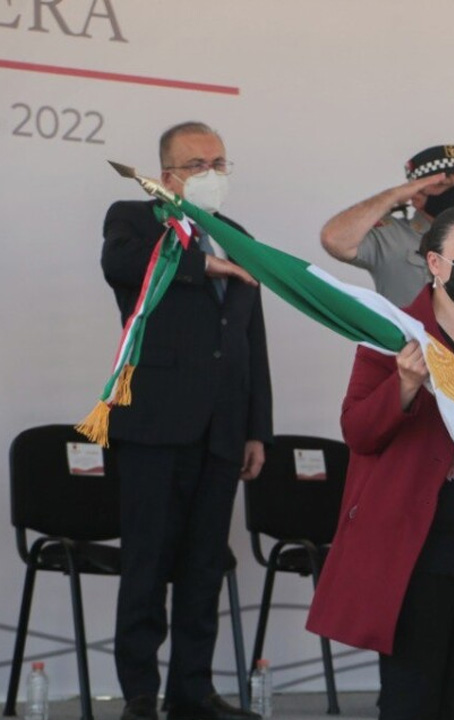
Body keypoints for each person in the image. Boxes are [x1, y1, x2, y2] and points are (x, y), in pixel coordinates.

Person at [307, 205, 454, 719]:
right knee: (413, 694)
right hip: (420, 539)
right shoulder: (393, 333)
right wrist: (405, 385)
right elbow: (358, 432)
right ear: (435, 262)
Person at [102, 121, 272, 720]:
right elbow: (124, 267)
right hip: (154, 426)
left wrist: (258, 428)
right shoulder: (134, 219)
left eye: (220, 162)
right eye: (199, 164)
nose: (213, 174)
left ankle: (192, 693)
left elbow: (251, 337)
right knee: (147, 565)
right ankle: (141, 697)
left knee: (204, 568)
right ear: (168, 174)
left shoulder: (239, 236)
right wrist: (205, 268)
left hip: (222, 431)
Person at [320, 144, 454, 316]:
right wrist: (394, 195)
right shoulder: (392, 237)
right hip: (413, 359)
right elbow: (334, 239)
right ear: (416, 195)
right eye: (443, 184)